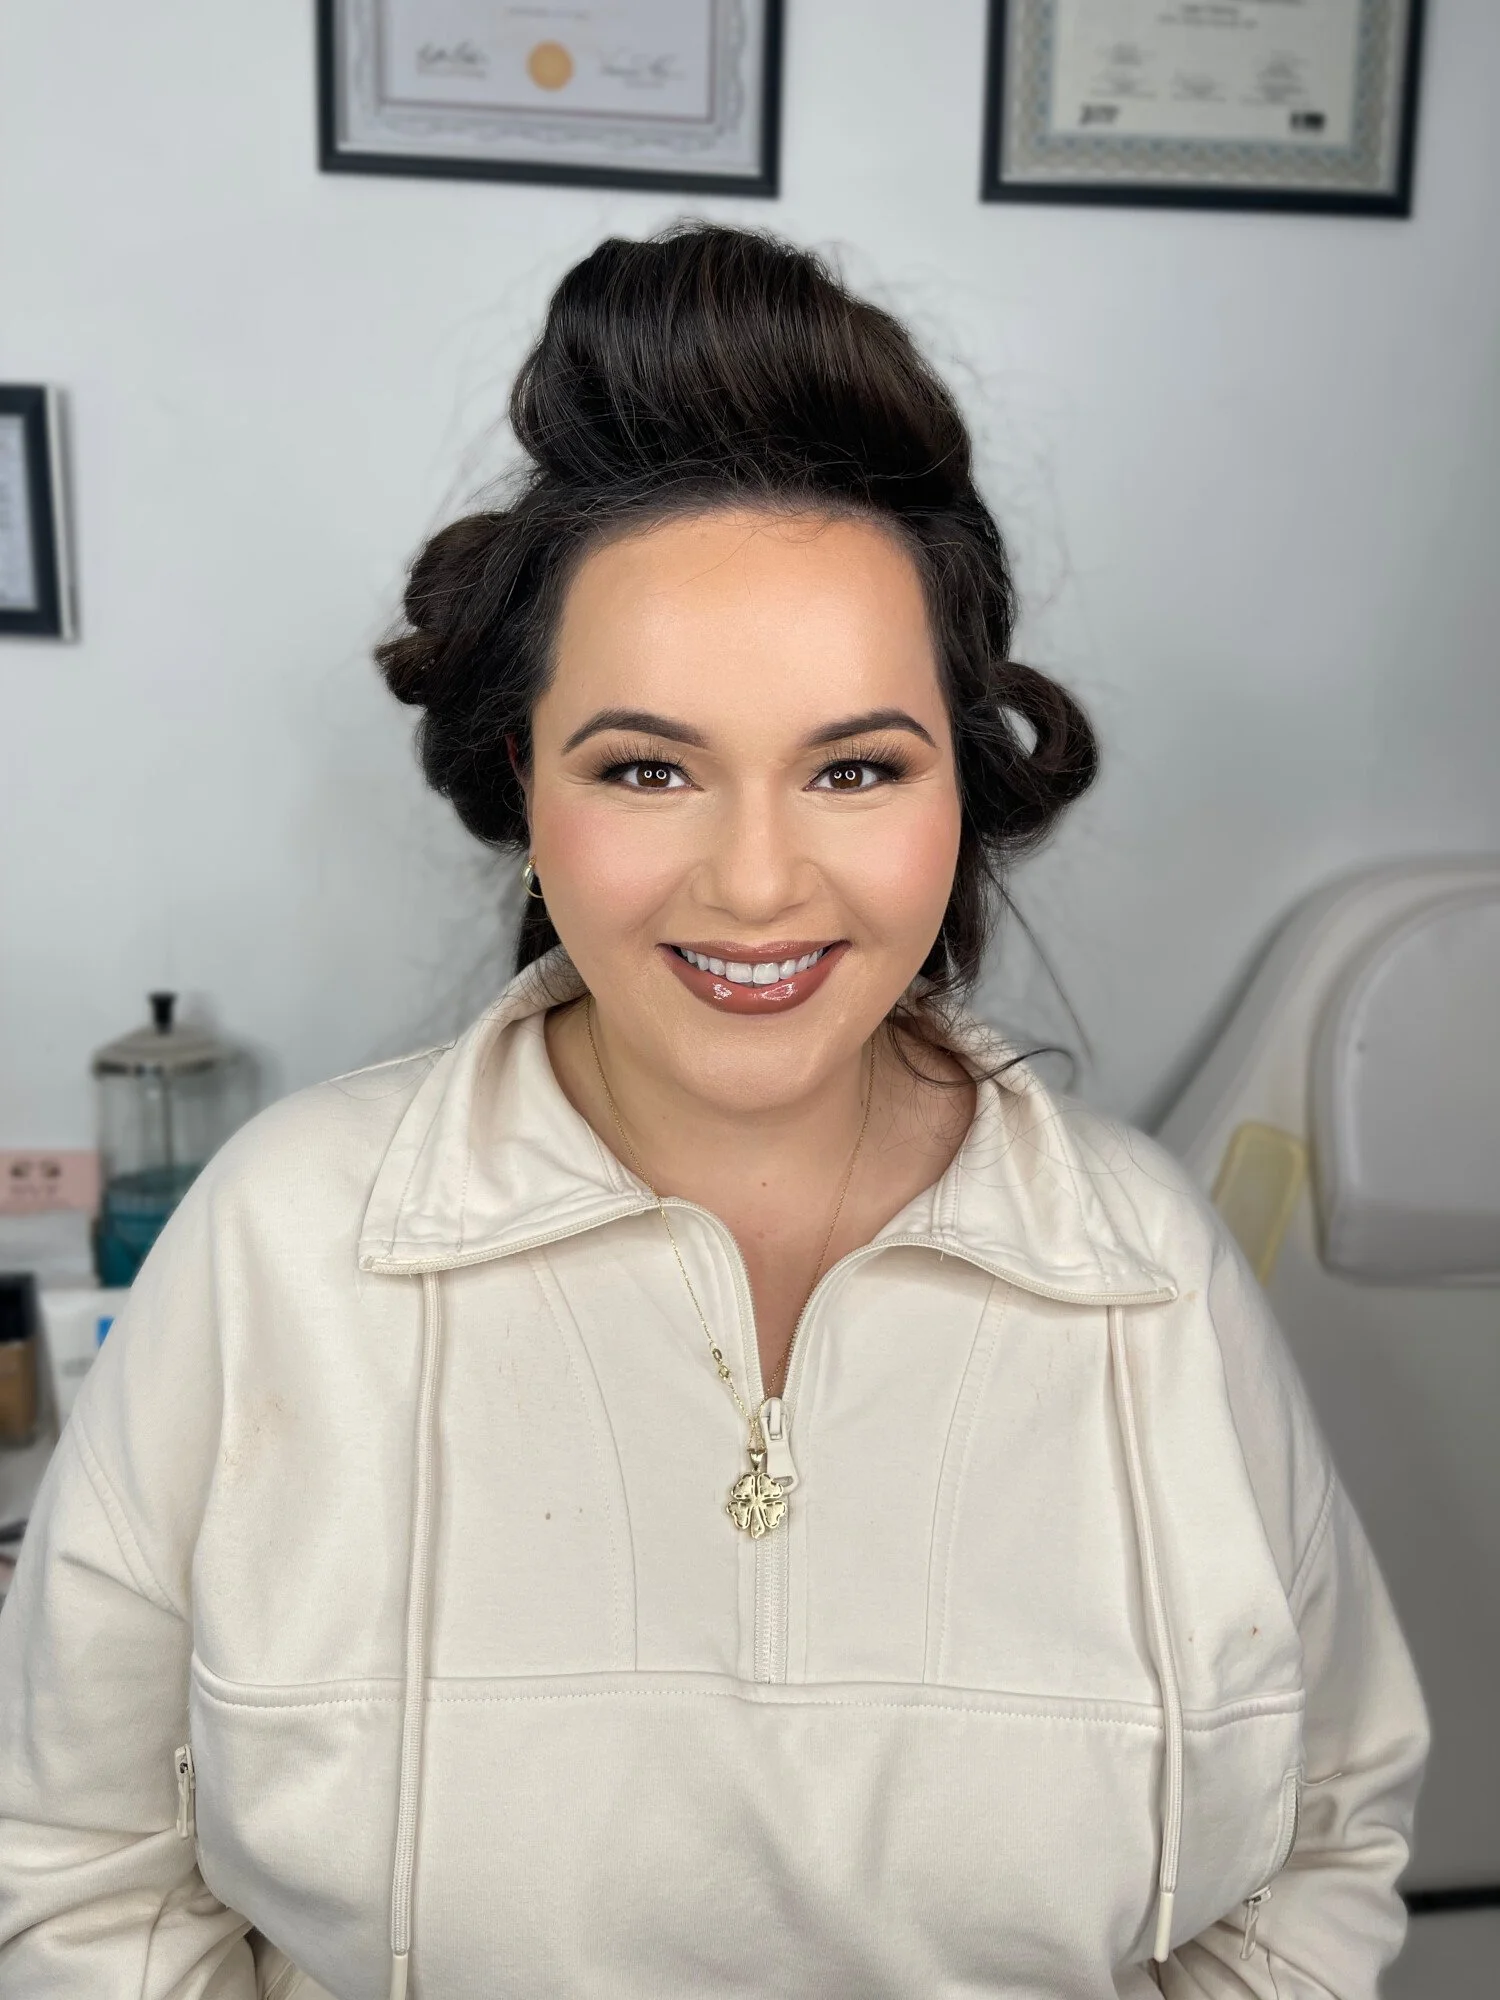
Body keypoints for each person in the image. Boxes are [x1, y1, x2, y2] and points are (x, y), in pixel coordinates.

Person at [0, 222, 1426, 1999]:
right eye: (650, 767)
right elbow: (70, 1868)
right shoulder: (284, 1238)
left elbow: (1330, 1837)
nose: (759, 881)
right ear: (521, 782)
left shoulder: (1144, 1267)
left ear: (959, 793)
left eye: (854, 766)